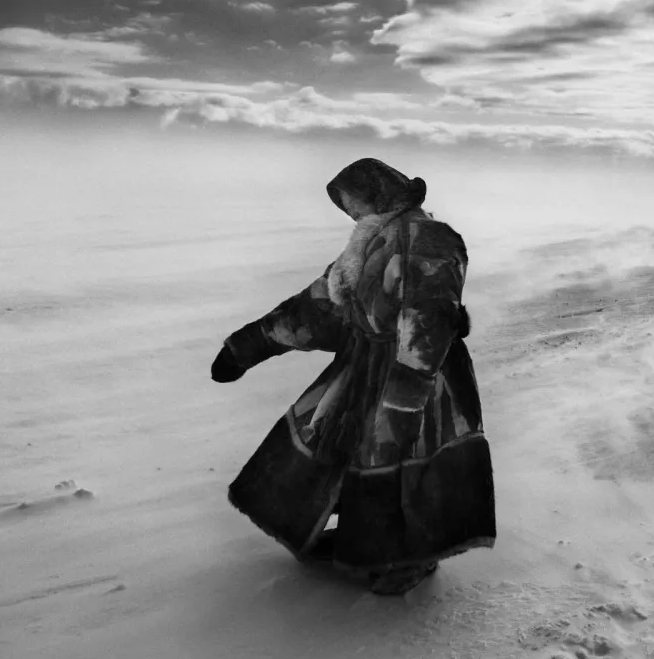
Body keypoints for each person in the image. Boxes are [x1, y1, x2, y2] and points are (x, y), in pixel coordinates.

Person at [210, 158, 495, 595]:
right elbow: (316, 309)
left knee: (405, 459)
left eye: (353, 201)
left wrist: (406, 395)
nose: (351, 212)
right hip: (365, 366)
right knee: (348, 448)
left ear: (378, 193)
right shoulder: (367, 244)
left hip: (420, 375)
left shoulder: (429, 240)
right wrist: (246, 347)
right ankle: (364, 542)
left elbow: (429, 321)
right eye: (346, 205)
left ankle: (410, 559)